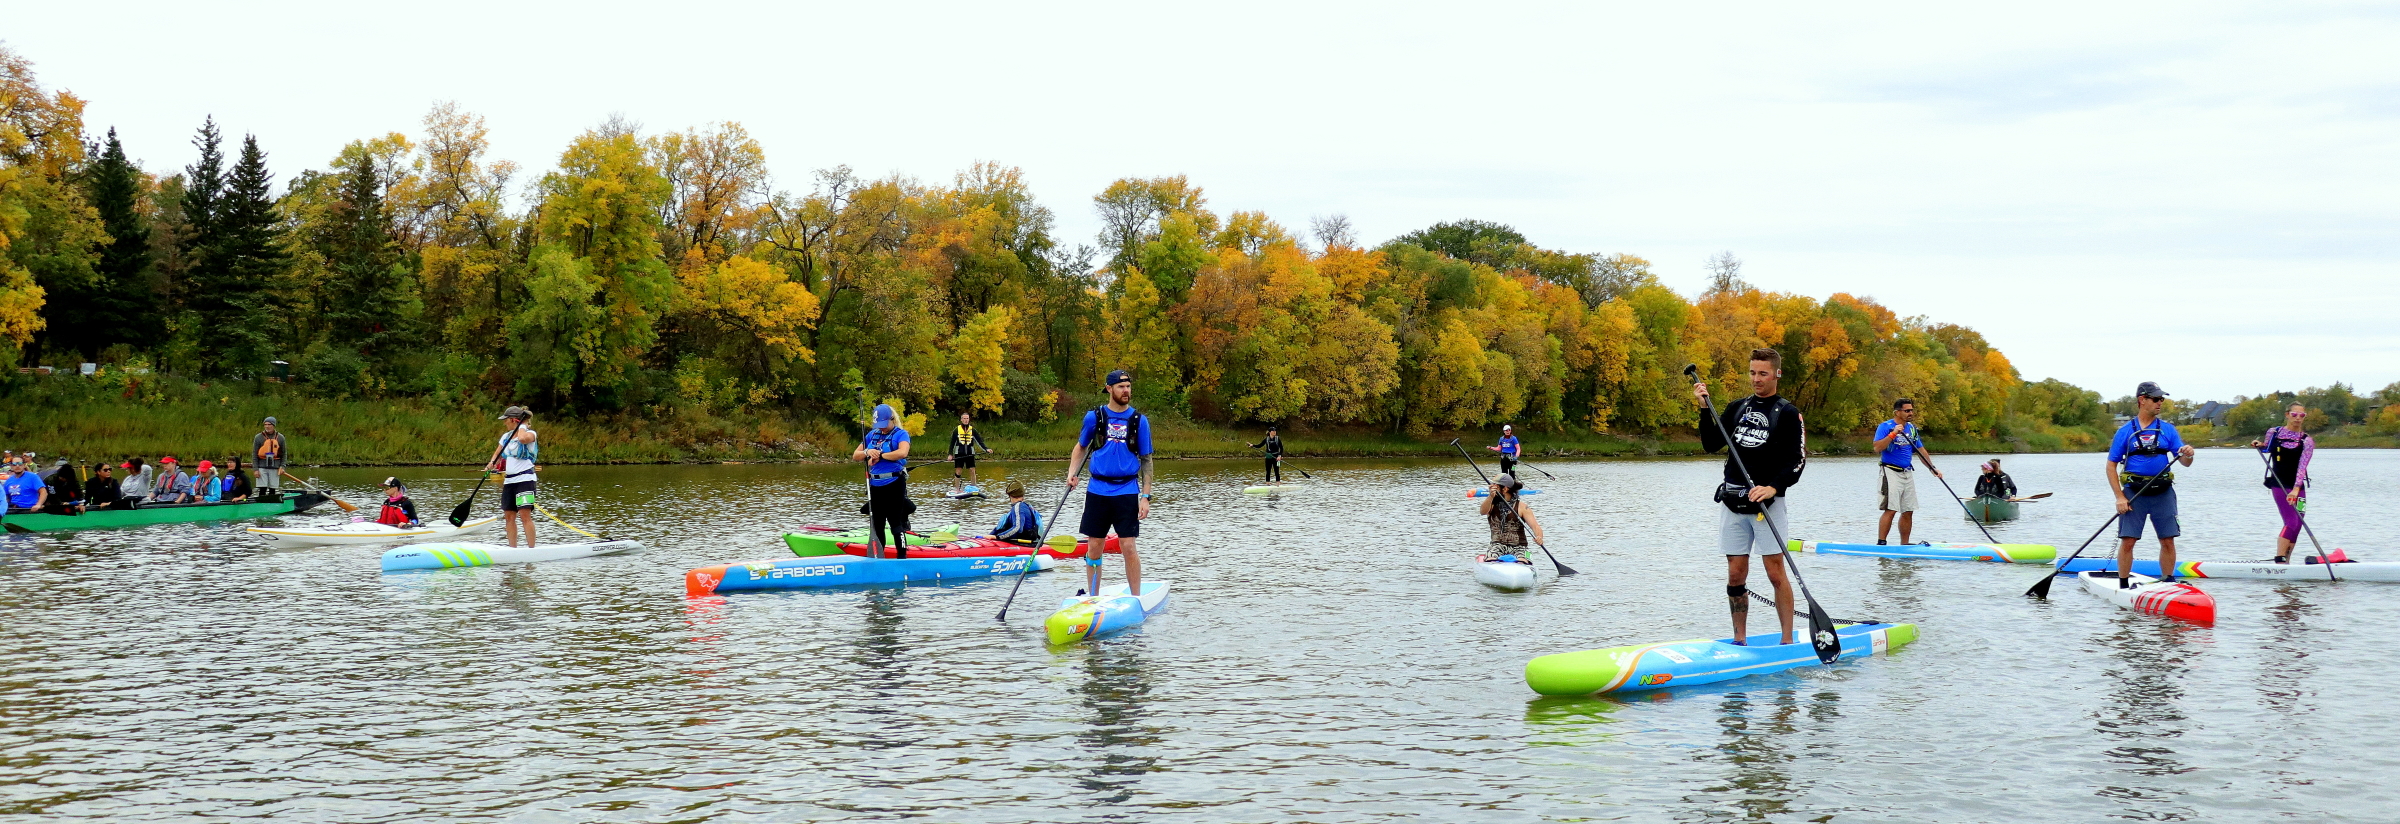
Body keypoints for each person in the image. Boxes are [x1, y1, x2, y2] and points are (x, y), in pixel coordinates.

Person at [1695, 348, 1809, 646]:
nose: (1756, 379)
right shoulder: (1736, 407)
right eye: (1752, 373)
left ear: (1776, 374)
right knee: (1736, 573)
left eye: (1763, 373)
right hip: (1733, 501)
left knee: (1774, 572)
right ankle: (1739, 640)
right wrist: (1705, 409)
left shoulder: (1788, 413)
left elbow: (1797, 461)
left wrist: (1773, 487)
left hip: (1767, 504)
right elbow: (1710, 443)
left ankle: (1787, 640)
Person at [1068, 370, 1154, 598]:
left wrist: (1145, 497)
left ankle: (1136, 599)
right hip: (1097, 490)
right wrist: (1072, 473)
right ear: (1109, 388)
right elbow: (1081, 447)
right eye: (1121, 387)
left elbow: (1146, 460)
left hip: (1127, 491)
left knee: (1128, 546)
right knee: (1094, 547)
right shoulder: (1094, 417)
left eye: (1128, 386)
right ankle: (1093, 597)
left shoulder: (1139, 421)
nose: (1126, 391)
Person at [2108, 381, 2197, 586]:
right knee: (2129, 541)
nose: (2160, 403)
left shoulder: (2168, 430)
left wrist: (2188, 455)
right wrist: (2119, 497)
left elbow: (2184, 462)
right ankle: (2123, 585)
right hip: (2134, 493)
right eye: (2156, 399)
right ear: (2142, 400)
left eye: (2161, 399)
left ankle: (2168, 581)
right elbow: (2110, 466)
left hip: (2163, 493)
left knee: (2167, 540)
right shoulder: (2125, 431)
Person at [1872, 398, 1944, 545]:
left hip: (1907, 472)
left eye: (1911, 410)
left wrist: (1932, 468)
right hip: (1890, 471)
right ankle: (1881, 542)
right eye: (1907, 411)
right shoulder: (1885, 426)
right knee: (1891, 509)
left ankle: (1904, 544)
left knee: (1908, 510)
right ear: (1897, 412)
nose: (1910, 413)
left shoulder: (1911, 429)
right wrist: (1892, 435)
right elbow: (1877, 448)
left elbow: (1920, 450)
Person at [2251, 404, 2315, 564]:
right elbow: (2267, 448)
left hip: (2297, 486)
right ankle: (2279, 560)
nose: (2298, 418)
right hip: (2279, 483)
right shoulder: (2274, 432)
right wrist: (2259, 445)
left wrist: (2296, 489)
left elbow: (2302, 467)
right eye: (2294, 414)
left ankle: (2286, 561)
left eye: (2302, 415)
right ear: (2287, 414)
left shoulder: (2306, 441)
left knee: (2299, 522)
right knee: (2291, 521)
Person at [853, 403, 914, 558]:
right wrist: (867, 451)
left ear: (891, 419)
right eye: (878, 425)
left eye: (884, 424)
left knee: (895, 524)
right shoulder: (872, 435)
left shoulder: (900, 434)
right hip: (875, 484)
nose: (881, 428)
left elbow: (902, 452)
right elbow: (856, 455)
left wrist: (880, 455)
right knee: (878, 525)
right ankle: (879, 558)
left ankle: (902, 557)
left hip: (894, 483)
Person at [484, 406, 541, 547]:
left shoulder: (530, 434)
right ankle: (512, 549)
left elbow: (522, 439)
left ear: (513, 420)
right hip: (510, 481)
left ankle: (531, 550)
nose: (505, 423)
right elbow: (498, 454)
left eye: (506, 420)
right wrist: (491, 463)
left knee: (524, 515)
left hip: (525, 480)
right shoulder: (506, 437)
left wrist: (522, 425)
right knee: (509, 516)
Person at [1478, 474, 1547, 563]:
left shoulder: (1522, 507)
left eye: (1495, 486)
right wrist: (1491, 496)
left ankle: (1522, 564)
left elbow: (1535, 526)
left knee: (1522, 560)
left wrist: (1539, 537)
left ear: (1505, 489)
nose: (1491, 488)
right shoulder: (1491, 503)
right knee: (1491, 559)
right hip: (1497, 545)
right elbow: (1482, 512)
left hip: (1520, 546)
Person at [949, 412, 992, 493]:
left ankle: (974, 487)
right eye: (964, 418)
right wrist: (950, 454)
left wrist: (986, 449)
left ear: (969, 419)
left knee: (972, 470)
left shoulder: (972, 430)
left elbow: (980, 441)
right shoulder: (956, 430)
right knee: (958, 470)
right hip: (959, 454)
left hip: (970, 453)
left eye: (967, 418)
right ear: (961, 420)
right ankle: (957, 489)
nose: (965, 420)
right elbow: (952, 443)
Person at [253, 417, 289, 502]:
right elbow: (254, 454)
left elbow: (284, 454)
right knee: (262, 488)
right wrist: (256, 469)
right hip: (262, 466)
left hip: (275, 467)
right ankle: (261, 503)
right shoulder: (258, 437)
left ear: (273, 426)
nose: (267, 426)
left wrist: (282, 466)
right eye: (265, 424)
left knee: (273, 488)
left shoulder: (280, 438)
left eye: (269, 424)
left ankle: (271, 503)